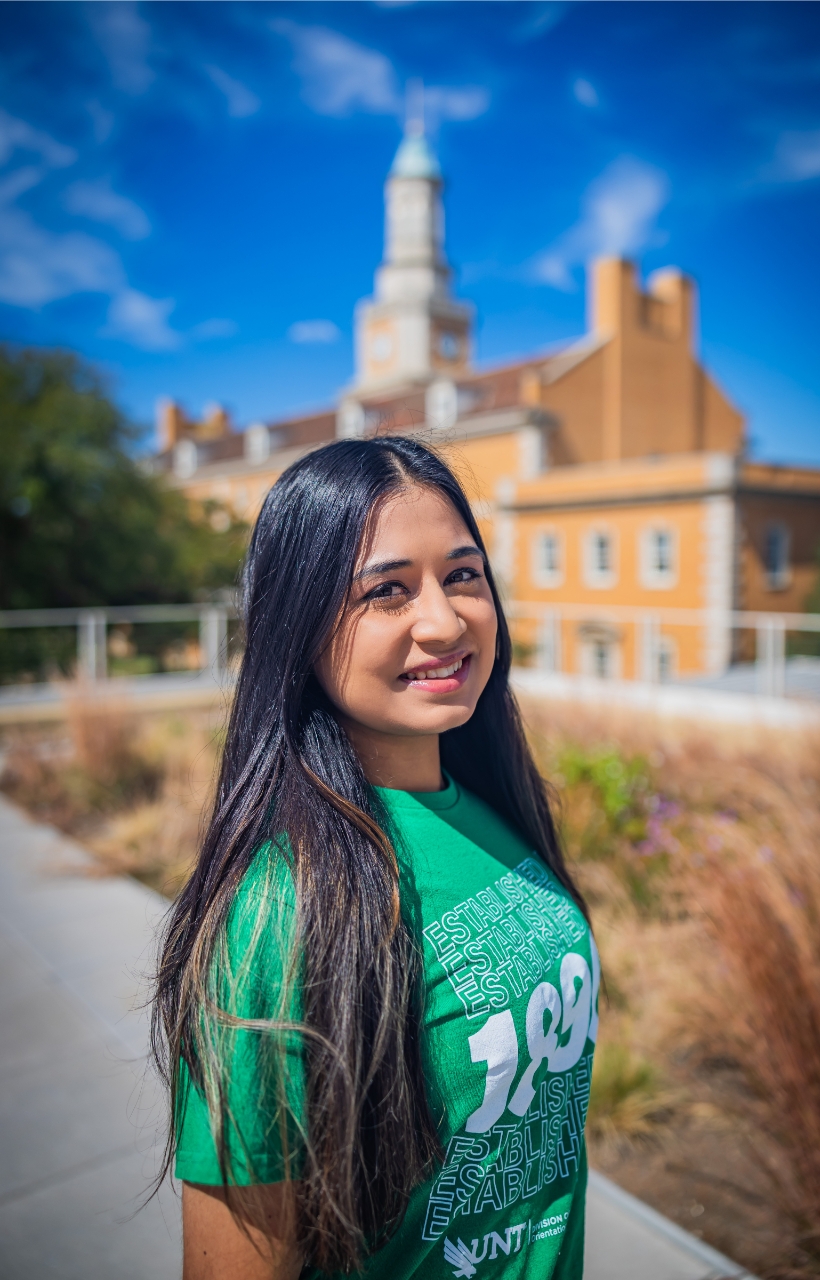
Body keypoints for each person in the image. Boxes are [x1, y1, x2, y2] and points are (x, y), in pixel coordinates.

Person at [153, 436, 599, 1280]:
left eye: (462, 576)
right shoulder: (279, 911)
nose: (443, 620)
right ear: (298, 624)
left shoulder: (491, 808)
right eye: (385, 591)